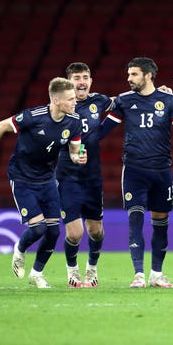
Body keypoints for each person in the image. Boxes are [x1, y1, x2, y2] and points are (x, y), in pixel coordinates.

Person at [0, 78, 86, 288]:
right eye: (70, 99)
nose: (75, 102)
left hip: (47, 178)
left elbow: (74, 151)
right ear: (56, 101)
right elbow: (0, 126)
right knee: (38, 228)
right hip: (22, 178)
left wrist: (78, 157)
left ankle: (37, 273)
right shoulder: (34, 117)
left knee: (54, 230)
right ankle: (19, 249)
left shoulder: (74, 121)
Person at [99, 57, 173, 289]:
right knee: (135, 219)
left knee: (161, 222)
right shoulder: (124, 101)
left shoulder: (169, 101)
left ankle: (157, 274)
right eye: (129, 74)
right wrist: (77, 142)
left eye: (133, 74)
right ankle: (139, 274)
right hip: (133, 170)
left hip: (162, 171)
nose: (128, 78)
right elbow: (101, 132)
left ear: (148, 75)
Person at [55, 62, 113, 288]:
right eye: (77, 78)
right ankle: (72, 271)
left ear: (91, 81)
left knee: (96, 231)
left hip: (92, 178)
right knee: (76, 232)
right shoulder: (60, 108)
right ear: (69, 82)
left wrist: (157, 91)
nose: (81, 82)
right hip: (67, 177)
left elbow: (124, 101)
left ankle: (92, 269)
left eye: (85, 77)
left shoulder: (98, 101)